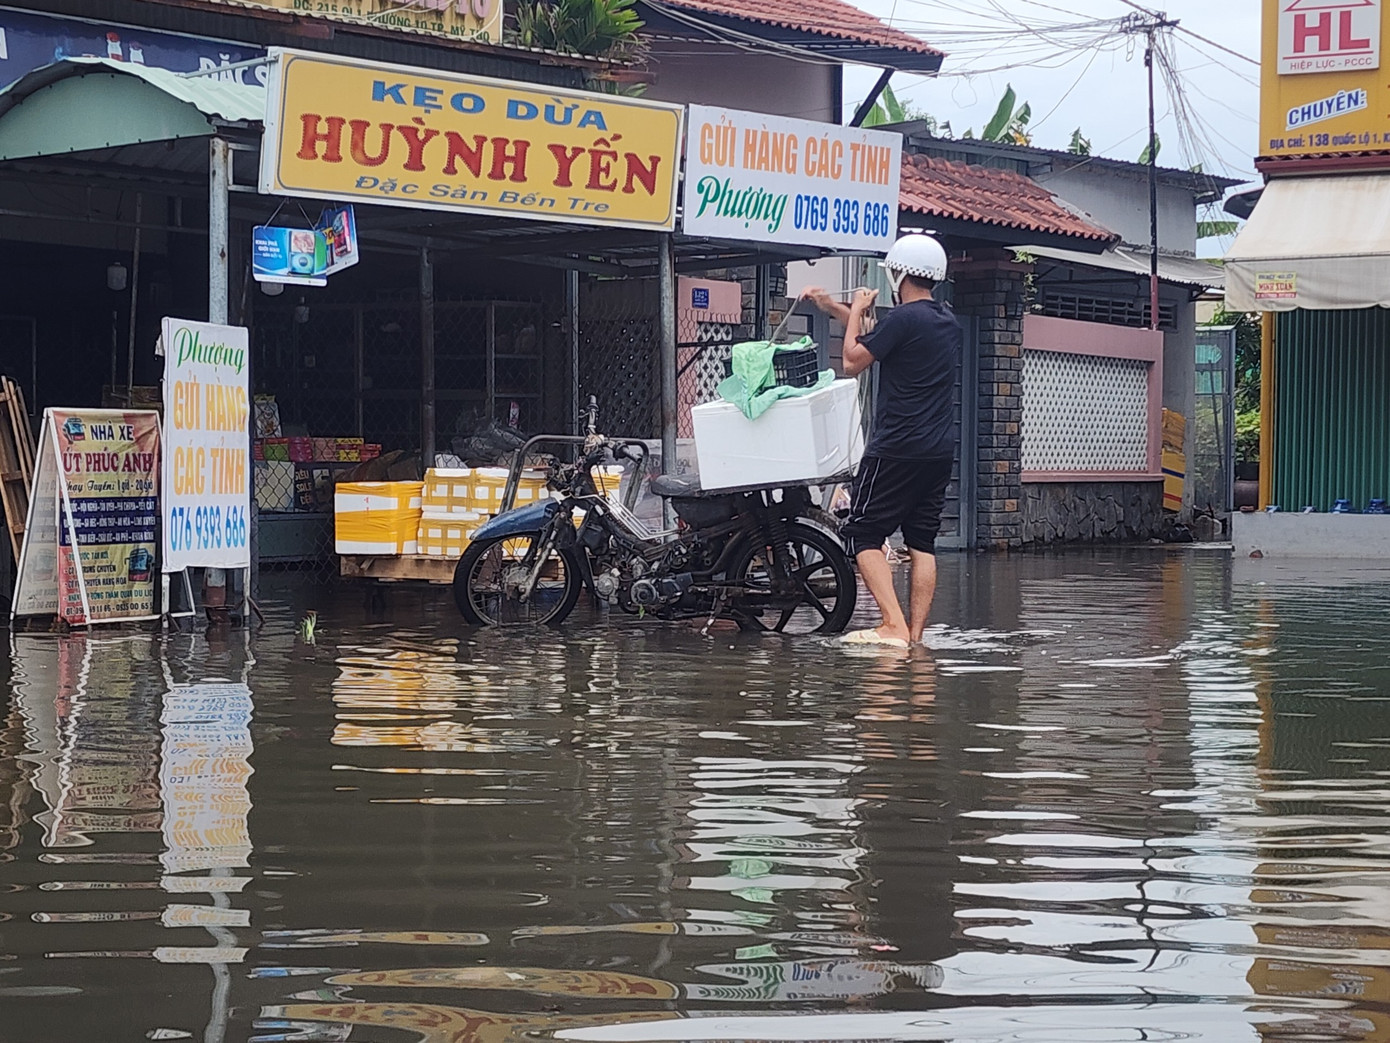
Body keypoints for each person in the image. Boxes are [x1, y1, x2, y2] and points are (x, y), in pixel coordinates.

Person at [802, 233, 962, 648]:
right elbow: (876, 337)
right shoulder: (946, 321)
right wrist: (837, 308)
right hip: (938, 450)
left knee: (863, 534)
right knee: (922, 541)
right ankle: (914, 636)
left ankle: (891, 623)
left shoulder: (904, 319)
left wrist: (854, 309)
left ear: (899, 274)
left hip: (897, 447)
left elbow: (854, 360)